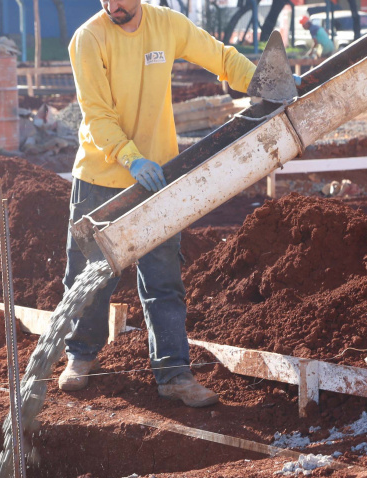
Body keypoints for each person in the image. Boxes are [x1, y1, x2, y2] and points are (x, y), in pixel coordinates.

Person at [59, 0, 256, 408]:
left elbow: (219, 57)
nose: (113, 5)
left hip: (158, 177)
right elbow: (96, 115)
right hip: (102, 177)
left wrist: (262, 82)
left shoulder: (167, 25)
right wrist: (130, 157)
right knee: (87, 276)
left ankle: (174, 374)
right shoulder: (89, 38)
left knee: (163, 280)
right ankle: (80, 357)